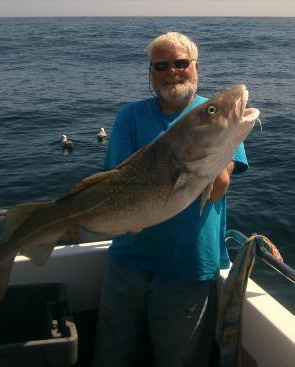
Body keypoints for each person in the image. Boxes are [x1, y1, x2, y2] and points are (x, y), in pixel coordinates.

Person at [94, 32, 248, 367]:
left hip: (188, 267)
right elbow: (116, 182)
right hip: (127, 260)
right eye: (161, 65)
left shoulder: (216, 117)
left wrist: (211, 161)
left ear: (196, 67)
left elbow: (219, 187)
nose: (172, 71)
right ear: (151, 72)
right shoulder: (130, 116)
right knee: (110, 355)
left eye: (181, 63)